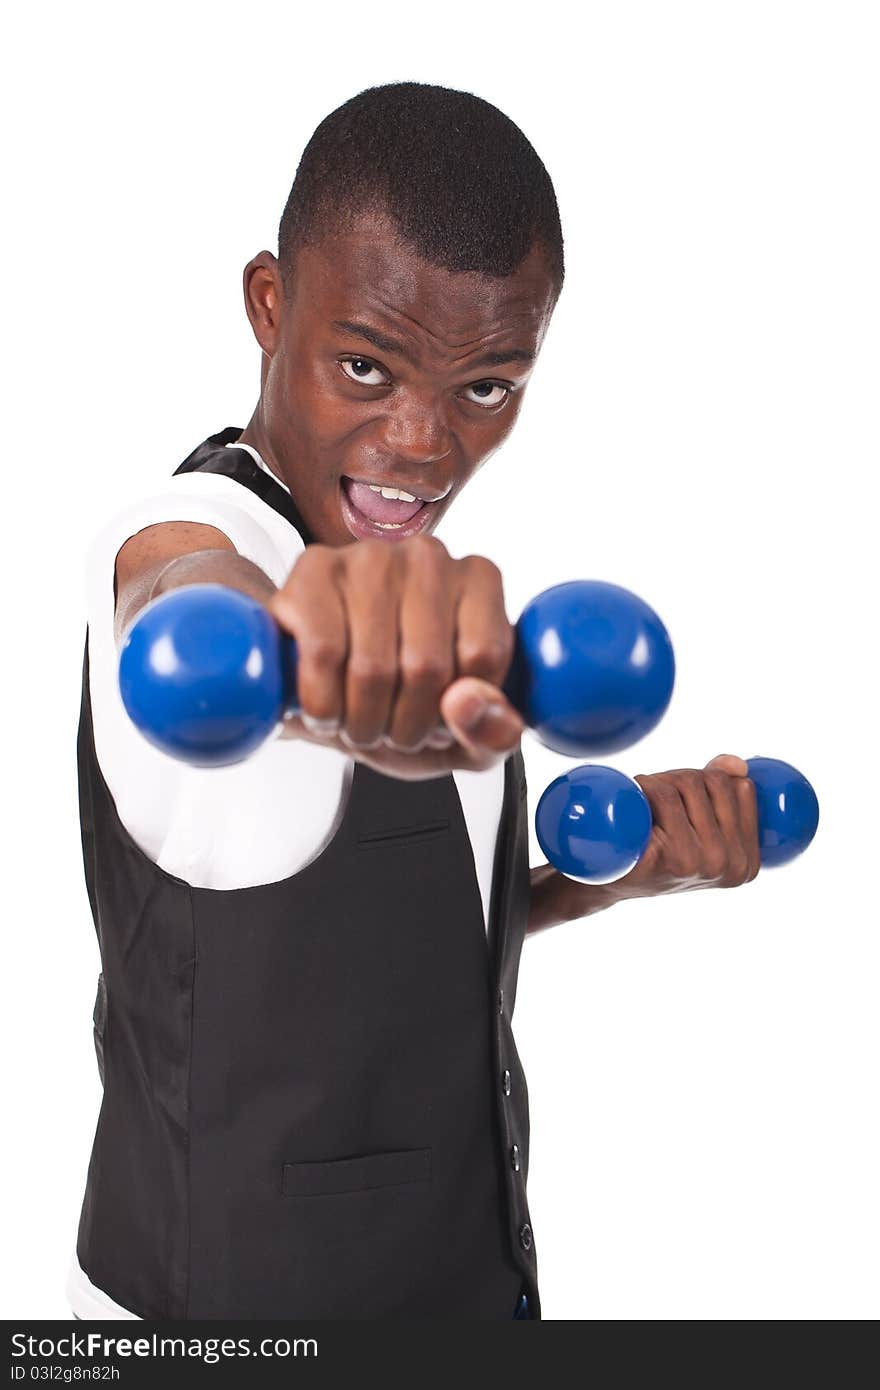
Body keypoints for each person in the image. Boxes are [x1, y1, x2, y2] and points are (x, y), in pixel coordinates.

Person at [69, 82, 761, 1322]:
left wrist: (607, 877)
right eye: (365, 364)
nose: (426, 444)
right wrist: (281, 647)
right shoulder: (191, 527)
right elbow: (176, 592)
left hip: (469, 1282)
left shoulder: (428, 624)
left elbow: (387, 943)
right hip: (238, 1319)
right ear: (269, 305)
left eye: (487, 386)